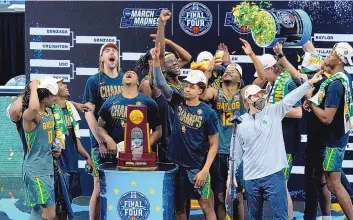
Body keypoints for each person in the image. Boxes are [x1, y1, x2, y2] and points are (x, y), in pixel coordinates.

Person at [228, 71, 322, 219]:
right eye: (257, 95)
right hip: (251, 177)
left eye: (262, 94)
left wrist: (308, 84)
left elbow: (290, 99)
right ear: (247, 101)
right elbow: (236, 154)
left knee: (281, 217)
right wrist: (231, 176)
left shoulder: (273, 111)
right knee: (254, 217)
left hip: (274, 174)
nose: (261, 97)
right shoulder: (239, 123)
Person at [153, 43, 219, 220]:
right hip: (176, 165)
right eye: (186, 85)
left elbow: (214, 145)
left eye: (192, 86)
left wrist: (205, 170)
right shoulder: (177, 100)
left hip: (196, 168)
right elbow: (159, 82)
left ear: (201, 90)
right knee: (179, 208)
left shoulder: (208, 113)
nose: (187, 88)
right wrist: (156, 64)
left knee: (206, 205)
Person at [241, 39, 303, 220]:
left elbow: (298, 112)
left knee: (282, 188)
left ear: (270, 68)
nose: (261, 77)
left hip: (286, 143)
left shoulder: (287, 82)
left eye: (263, 72)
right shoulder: (270, 85)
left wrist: (273, 108)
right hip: (272, 143)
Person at [305, 42, 353, 220]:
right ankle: (326, 217)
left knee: (333, 184)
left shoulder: (335, 85)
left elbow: (326, 117)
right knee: (321, 180)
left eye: (332, 53)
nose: (329, 54)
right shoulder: (342, 77)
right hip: (332, 138)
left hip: (332, 141)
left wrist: (310, 101)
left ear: (340, 59)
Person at [82, 42, 123, 220]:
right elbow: (88, 114)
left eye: (114, 50)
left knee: (121, 185)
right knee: (99, 188)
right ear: (101, 58)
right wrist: (100, 141)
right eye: (107, 51)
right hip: (101, 145)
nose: (111, 52)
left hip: (123, 143)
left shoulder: (125, 79)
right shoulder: (94, 81)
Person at [201, 63, 245, 220]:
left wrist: (253, 56)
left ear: (240, 79)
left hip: (237, 153)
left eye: (233, 71)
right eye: (226, 71)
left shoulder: (244, 94)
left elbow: (261, 78)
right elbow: (202, 95)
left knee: (237, 197)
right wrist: (206, 73)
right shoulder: (215, 92)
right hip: (218, 152)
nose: (228, 72)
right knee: (219, 198)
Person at [96, 70, 162, 161]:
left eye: (133, 73)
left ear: (138, 82)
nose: (129, 73)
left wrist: (146, 145)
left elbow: (158, 130)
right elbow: (99, 127)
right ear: (121, 82)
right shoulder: (109, 101)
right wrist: (108, 139)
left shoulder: (149, 102)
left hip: (140, 157)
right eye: (126, 73)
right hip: (115, 155)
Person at [22, 77, 61, 220]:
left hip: (47, 168)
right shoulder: (30, 116)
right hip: (36, 171)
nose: (55, 98)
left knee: (40, 212)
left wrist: (56, 148)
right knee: (50, 215)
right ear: (44, 99)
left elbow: (47, 138)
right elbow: (33, 108)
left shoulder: (49, 113)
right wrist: (33, 87)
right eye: (53, 96)